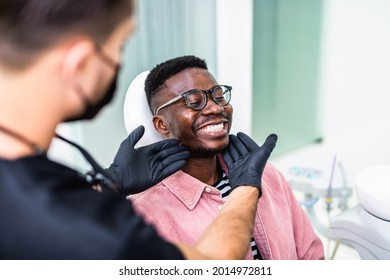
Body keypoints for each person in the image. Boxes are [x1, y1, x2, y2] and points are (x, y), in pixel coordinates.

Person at [0, 0, 277, 260]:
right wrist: (245, 188)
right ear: (80, 64)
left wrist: (108, 182)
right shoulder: (104, 229)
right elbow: (212, 266)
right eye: (119, 47)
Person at [129, 55, 325, 260]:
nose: (215, 108)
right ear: (162, 125)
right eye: (194, 101)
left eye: (219, 96)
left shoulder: (265, 174)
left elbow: (312, 256)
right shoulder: (144, 215)